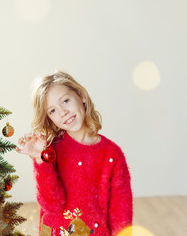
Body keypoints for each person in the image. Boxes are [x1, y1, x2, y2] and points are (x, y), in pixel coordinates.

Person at [16, 71, 133, 236]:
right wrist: (40, 160)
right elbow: (52, 204)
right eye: (52, 111)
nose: (63, 112)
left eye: (65, 101)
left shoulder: (112, 153)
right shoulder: (50, 151)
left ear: (81, 95)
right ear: (49, 118)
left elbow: (121, 211)